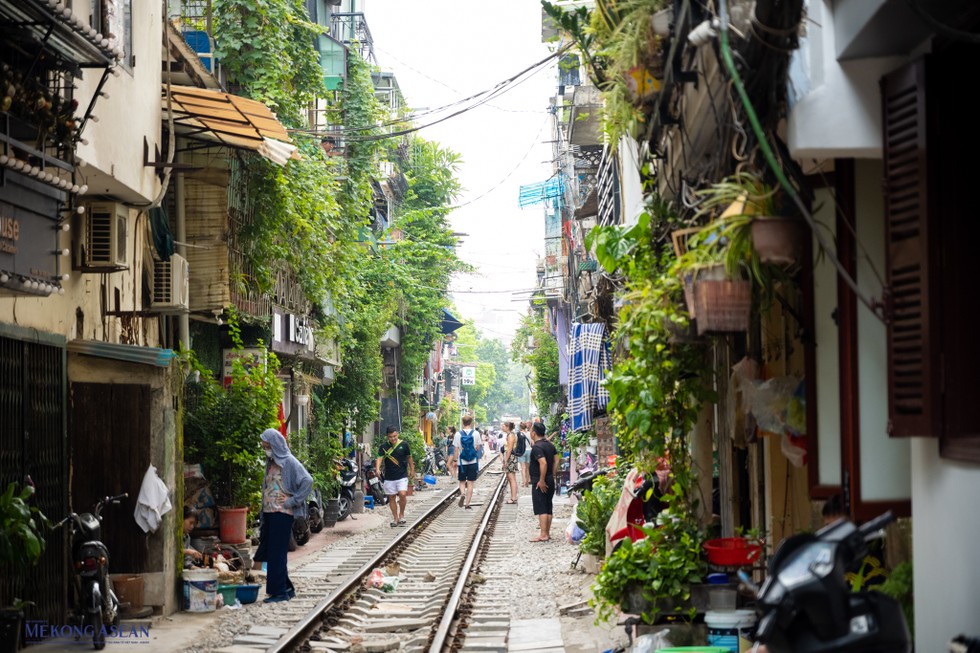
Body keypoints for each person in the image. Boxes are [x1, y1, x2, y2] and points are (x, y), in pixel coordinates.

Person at [260, 428, 313, 603]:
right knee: (273, 551)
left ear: (275, 445)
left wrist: (292, 501)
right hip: (270, 513)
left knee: (277, 552)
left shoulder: (289, 462)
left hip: (282, 513)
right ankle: (287, 588)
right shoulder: (271, 462)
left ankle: (279, 593)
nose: (265, 448)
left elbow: (307, 481)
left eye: (267, 445)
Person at [376, 426, 414, 527]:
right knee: (392, 497)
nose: (393, 438)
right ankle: (395, 518)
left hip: (402, 474)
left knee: (402, 494)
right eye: (390, 437)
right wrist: (377, 469)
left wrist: (412, 470)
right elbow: (379, 458)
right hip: (389, 476)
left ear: (397, 434)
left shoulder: (404, 445)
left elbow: (409, 458)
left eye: (395, 436)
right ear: (387, 437)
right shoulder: (383, 447)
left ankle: (402, 514)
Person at [529, 421, 559, 542]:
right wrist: (553, 474)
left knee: (541, 506)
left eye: (531, 430)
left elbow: (543, 463)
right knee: (548, 505)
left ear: (534, 433)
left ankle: (543, 534)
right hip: (550, 478)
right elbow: (556, 460)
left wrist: (541, 480)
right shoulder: (550, 445)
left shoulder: (537, 447)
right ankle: (547, 532)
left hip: (540, 480)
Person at [454, 415, 482, 509]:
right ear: (471, 423)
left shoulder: (458, 434)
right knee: (470, 483)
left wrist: (454, 460)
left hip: (461, 462)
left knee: (462, 481)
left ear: (462, 422)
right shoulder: (476, 433)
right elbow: (478, 448)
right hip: (473, 461)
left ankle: (462, 493)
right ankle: (467, 504)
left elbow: (456, 449)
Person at [517, 421, 532, 487]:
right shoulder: (529, 433)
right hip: (529, 451)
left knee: (523, 468)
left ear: (520, 427)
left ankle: (524, 482)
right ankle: (527, 482)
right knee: (528, 468)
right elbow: (531, 443)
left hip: (522, 452)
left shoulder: (519, 434)